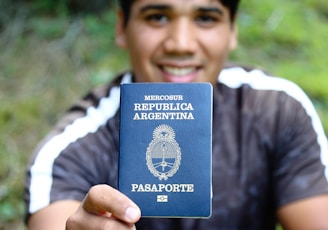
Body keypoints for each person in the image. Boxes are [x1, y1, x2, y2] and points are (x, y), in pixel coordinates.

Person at [24, 0, 328, 229]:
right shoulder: (72, 148)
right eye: (157, 17)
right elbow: (56, 220)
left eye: (206, 18)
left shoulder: (278, 111)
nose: (181, 44)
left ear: (232, 30)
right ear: (121, 27)